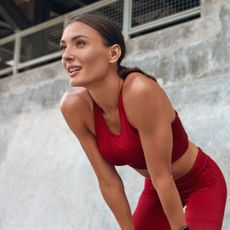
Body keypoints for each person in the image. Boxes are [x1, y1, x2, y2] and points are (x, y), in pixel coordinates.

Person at [59, 13, 227, 230]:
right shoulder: (74, 107)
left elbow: (162, 175)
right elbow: (108, 181)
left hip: (201, 182)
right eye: (63, 47)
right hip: (157, 190)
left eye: (79, 43)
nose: (67, 56)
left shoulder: (139, 91)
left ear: (113, 53)